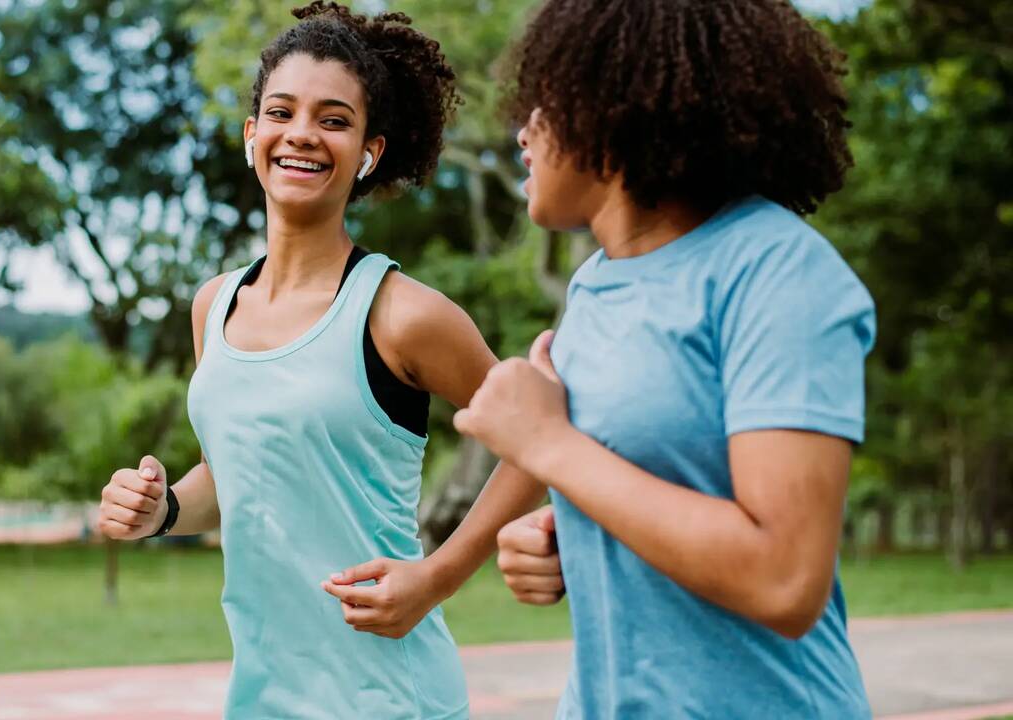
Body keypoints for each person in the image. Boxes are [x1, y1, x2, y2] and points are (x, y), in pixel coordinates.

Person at [96, 3, 544, 718]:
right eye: (281, 111)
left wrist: (438, 576)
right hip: (263, 696)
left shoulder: (402, 314)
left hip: (390, 698)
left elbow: (541, 441)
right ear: (253, 136)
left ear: (369, 152)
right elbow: (239, 468)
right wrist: (164, 507)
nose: (302, 133)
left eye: (334, 120)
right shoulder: (214, 306)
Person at [454, 0, 876, 717]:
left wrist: (552, 449)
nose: (522, 129)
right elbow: (642, 478)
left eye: (546, 101)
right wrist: (565, 541)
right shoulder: (593, 284)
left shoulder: (780, 270)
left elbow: (783, 580)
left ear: (612, 104)